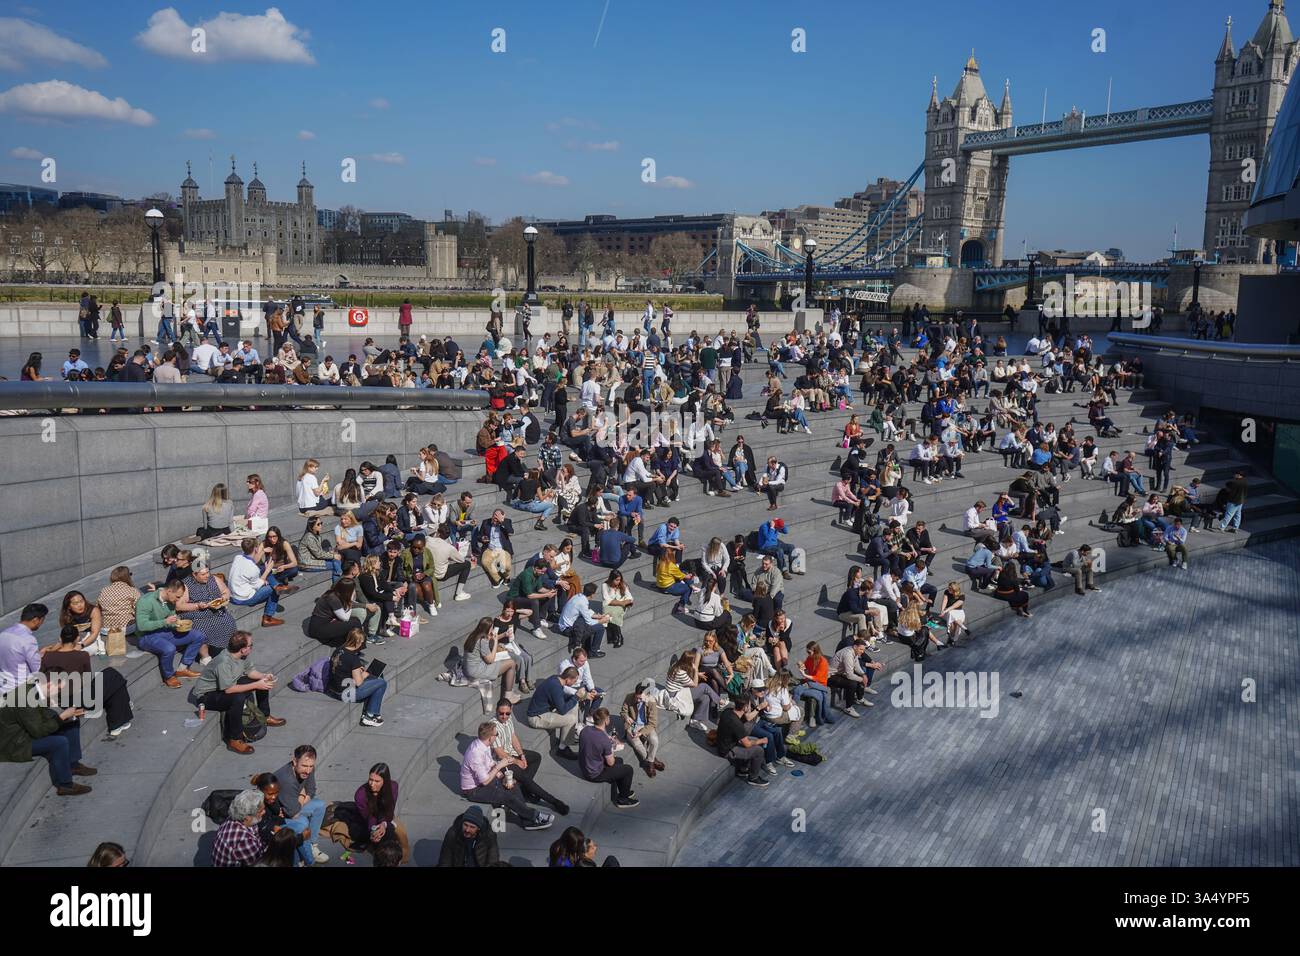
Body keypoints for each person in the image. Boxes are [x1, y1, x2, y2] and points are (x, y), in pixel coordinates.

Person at [191, 630, 286, 755]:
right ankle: (235, 739)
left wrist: (264, 676)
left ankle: (265, 715)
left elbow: (250, 672)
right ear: (242, 649)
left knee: (261, 681)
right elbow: (229, 690)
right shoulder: (223, 662)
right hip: (207, 695)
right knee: (238, 698)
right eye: (250, 645)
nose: (252, 647)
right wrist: (257, 684)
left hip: (224, 686)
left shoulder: (241, 656)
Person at [0, 671, 94, 796]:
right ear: (49, 685)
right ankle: (65, 785)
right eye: (59, 689)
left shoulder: (33, 691)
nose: (60, 692)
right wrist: (62, 717)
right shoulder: (25, 699)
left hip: (24, 733)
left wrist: (67, 717)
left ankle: (73, 764)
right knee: (59, 743)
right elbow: (38, 732)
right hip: (14, 744)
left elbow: (42, 716)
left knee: (71, 723)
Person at [459, 721, 554, 830]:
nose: (496, 737)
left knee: (513, 785)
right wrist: (499, 766)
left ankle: (527, 820)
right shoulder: (475, 753)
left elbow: (490, 763)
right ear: (490, 738)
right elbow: (485, 781)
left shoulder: (483, 745)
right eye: (496, 735)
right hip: (474, 790)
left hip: (485, 780)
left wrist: (502, 777)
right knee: (505, 797)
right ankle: (535, 816)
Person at [489, 697, 570, 816]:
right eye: (501, 713)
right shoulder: (493, 727)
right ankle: (555, 802)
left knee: (536, 757)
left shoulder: (508, 719)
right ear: (496, 711)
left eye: (507, 713)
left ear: (511, 710)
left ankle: (525, 790)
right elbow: (500, 753)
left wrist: (521, 755)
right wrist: (517, 762)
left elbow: (513, 738)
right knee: (525, 778)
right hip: (502, 762)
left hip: (511, 753)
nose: (504, 716)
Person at [134, 581, 206, 687]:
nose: (178, 600)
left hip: (164, 631)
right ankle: (169, 676)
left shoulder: (170, 601)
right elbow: (142, 625)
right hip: (146, 636)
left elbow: (171, 619)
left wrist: (176, 623)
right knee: (169, 648)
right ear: (169, 591)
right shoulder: (145, 601)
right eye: (177, 597)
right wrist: (165, 622)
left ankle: (183, 668)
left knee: (198, 636)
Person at [275, 744, 331, 865]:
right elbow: (293, 813)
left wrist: (302, 796)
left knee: (319, 805)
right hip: (281, 815)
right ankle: (307, 858)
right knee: (302, 823)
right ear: (295, 761)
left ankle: (312, 844)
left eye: (311, 766)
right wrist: (301, 795)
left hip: (293, 805)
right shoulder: (287, 780)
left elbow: (311, 789)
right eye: (304, 766)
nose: (308, 770)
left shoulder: (309, 767)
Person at [327, 628, 389, 726]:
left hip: (333, 689)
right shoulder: (353, 658)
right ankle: (369, 715)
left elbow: (343, 668)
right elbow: (359, 682)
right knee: (382, 683)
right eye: (362, 642)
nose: (362, 645)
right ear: (357, 642)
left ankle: (372, 709)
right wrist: (365, 674)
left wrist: (357, 669)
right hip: (345, 694)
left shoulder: (339, 649)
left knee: (378, 676)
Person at [578, 708, 638, 807]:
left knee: (620, 761)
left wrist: (607, 739)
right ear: (606, 720)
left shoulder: (585, 730)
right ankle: (623, 799)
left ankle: (624, 790)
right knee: (628, 769)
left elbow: (598, 736)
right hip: (594, 774)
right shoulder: (604, 741)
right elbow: (611, 763)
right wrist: (611, 749)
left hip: (585, 767)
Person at [354, 763, 410, 864]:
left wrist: (383, 824)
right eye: (370, 779)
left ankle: (399, 859)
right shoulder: (361, 795)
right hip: (369, 821)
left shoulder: (393, 787)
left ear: (385, 781)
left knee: (398, 835)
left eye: (377, 781)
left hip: (387, 817)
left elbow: (389, 809)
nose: (372, 784)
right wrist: (374, 830)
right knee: (378, 840)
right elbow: (367, 816)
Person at [228, 538, 289, 627]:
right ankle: (268, 618)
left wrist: (263, 551)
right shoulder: (253, 569)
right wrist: (268, 570)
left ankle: (277, 586)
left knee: (266, 575)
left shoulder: (238, 557)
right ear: (256, 549)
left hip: (233, 596)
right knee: (273, 589)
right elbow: (258, 585)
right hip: (243, 599)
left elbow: (251, 560)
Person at [714, 692, 770, 788]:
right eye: (749, 705)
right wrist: (762, 741)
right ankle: (753, 778)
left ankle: (743, 769)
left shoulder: (728, 711)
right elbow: (747, 744)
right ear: (745, 707)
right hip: (727, 750)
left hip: (725, 743)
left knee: (754, 740)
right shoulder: (736, 724)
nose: (750, 707)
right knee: (758, 750)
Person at [525, 667, 583, 758]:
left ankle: (568, 737)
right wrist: (576, 697)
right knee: (571, 719)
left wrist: (580, 697)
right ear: (568, 679)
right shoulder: (555, 686)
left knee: (574, 704)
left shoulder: (556, 679)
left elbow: (561, 697)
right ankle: (562, 749)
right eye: (574, 681)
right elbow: (562, 710)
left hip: (545, 711)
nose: (575, 683)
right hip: (536, 717)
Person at [462, 618, 520, 702]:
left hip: (469, 669)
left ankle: (509, 692)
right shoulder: (482, 641)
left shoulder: (473, 635)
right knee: (511, 663)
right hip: (476, 672)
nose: (492, 630)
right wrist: (496, 641)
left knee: (503, 660)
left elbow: (489, 642)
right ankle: (508, 695)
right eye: (492, 628)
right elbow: (490, 660)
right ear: (488, 628)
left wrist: (502, 635)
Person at [620, 679, 665, 778]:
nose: (638, 700)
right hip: (632, 725)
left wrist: (641, 733)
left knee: (654, 740)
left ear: (647, 695)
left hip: (646, 725)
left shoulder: (652, 702)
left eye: (640, 698)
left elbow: (652, 723)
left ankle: (650, 762)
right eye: (637, 698)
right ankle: (652, 763)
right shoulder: (629, 697)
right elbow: (623, 712)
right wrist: (627, 717)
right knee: (637, 744)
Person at [211, 790, 266, 867]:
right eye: (260, 811)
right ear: (247, 818)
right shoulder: (246, 842)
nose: (264, 812)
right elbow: (259, 864)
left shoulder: (232, 818)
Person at [557, 582, 609, 656]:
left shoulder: (578, 596)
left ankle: (588, 647)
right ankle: (594, 652)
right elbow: (589, 622)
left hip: (564, 625)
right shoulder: (583, 602)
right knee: (600, 628)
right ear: (592, 594)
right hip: (568, 629)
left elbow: (585, 611)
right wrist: (601, 621)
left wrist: (597, 616)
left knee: (588, 622)